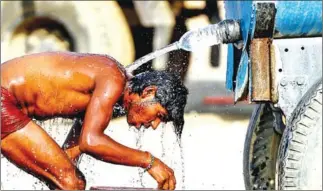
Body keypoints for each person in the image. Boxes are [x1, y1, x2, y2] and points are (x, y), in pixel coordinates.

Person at [0, 51, 188, 190]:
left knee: (69, 180)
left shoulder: (106, 93)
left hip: (7, 104)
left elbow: (70, 154)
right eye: (159, 115)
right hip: (4, 99)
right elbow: (90, 141)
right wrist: (150, 161)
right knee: (70, 181)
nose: (154, 125)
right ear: (148, 92)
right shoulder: (113, 79)